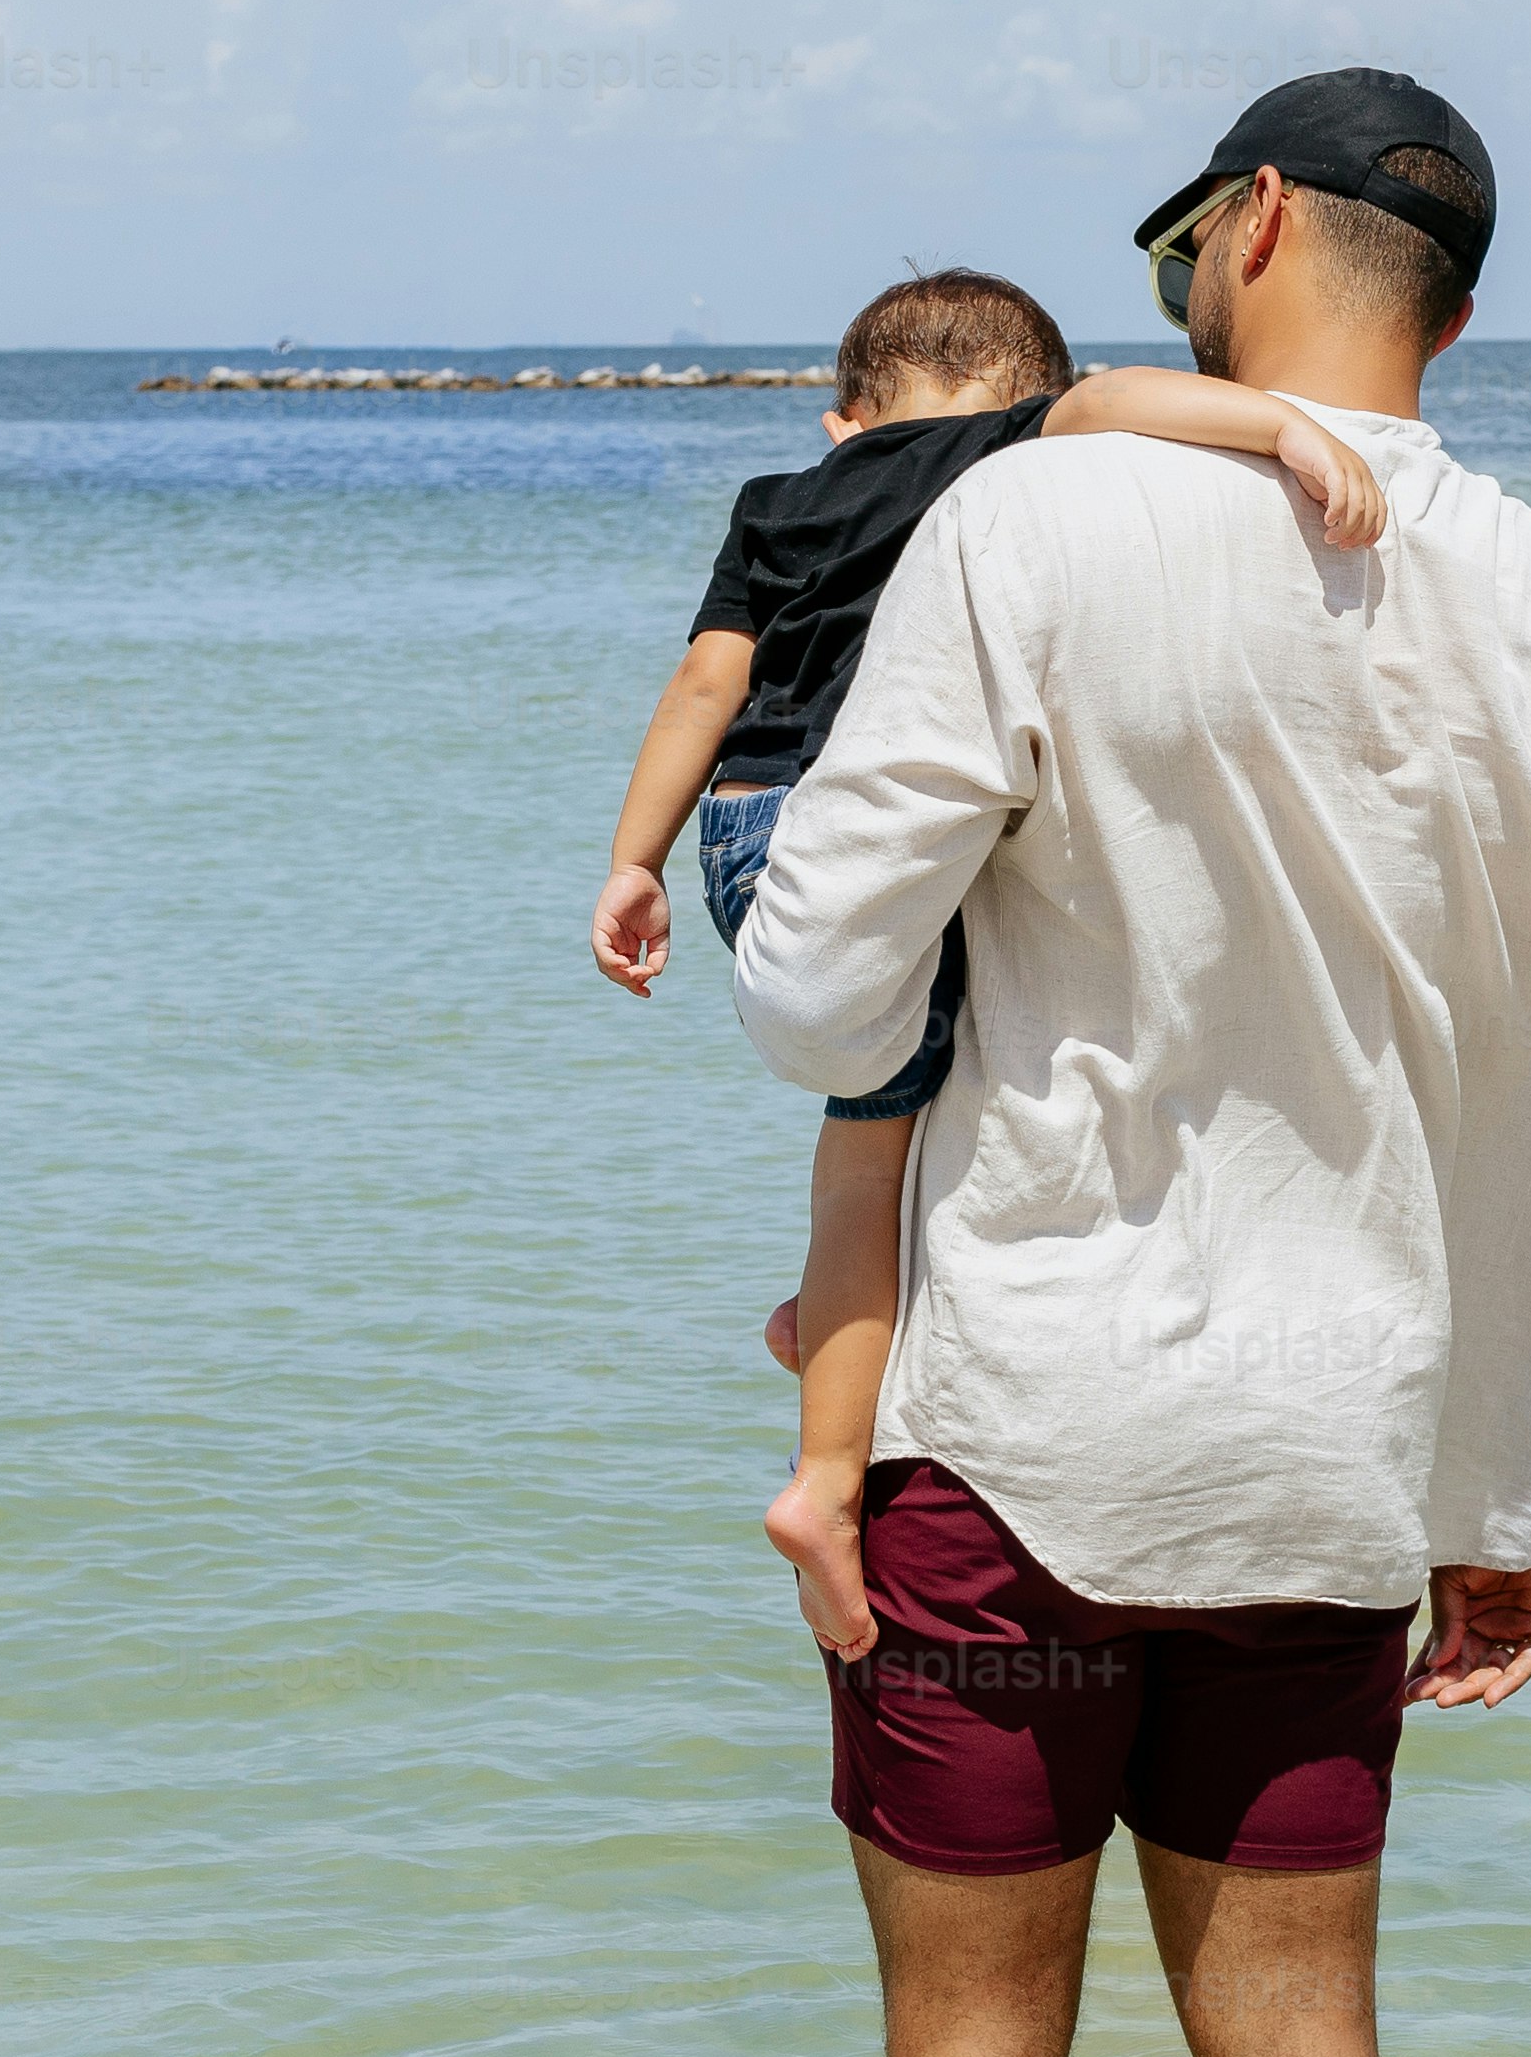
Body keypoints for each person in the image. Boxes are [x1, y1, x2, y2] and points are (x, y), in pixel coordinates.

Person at [734, 74, 1531, 2057]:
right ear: (1449, 303)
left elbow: (820, 991)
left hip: (1017, 1439)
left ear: (1252, 221)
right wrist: (1521, 1505)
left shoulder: (1039, 523)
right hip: (1340, 1460)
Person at [593, 270, 1391, 1658]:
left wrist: (632, 862)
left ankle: (836, 1307)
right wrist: (1281, 432)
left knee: (872, 1130)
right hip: (876, 823)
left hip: (741, 833)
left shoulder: (775, 503)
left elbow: (703, 689)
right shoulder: (999, 456)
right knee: (928, 1113)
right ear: (1024, 398)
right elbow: (1125, 401)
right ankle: (827, 1475)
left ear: (843, 419)